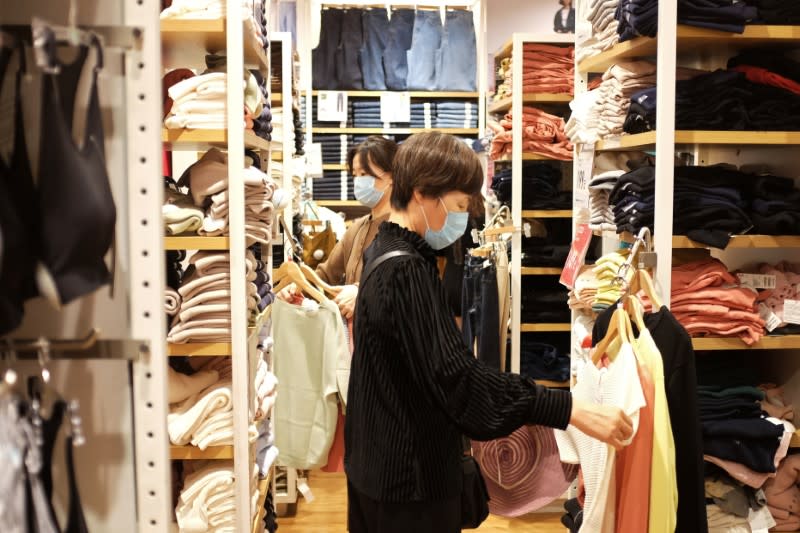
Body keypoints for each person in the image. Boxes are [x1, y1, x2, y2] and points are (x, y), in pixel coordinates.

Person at [344, 132, 632, 533]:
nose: (462, 221)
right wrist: (570, 409)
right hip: (407, 486)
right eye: (459, 206)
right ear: (424, 193)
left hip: (380, 469)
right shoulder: (405, 269)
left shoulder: (386, 250)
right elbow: (460, 383)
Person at [277, 136, 397, 319]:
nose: (358, 182)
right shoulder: (357, 228)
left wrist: (361, 292)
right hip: (357, 336)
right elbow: (326, 274)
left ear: (391, 176)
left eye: (364, 174)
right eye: (355, 175)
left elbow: (403, 283)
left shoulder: (404, 228)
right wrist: (297, 287)